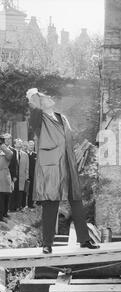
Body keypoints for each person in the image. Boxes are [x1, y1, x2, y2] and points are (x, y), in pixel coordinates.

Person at [26, 88, 99, 254]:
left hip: (68, 164)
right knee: (51, 204)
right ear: (39, 102)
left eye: (47, 96)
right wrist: (33, 94)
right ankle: (47, 243)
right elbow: (35, 107)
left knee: (76, 201)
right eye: (43, 97)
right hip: (51, 166)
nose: (48, 98)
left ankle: (84, 240)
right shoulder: (38, 118)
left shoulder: (62, 117)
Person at [2, 134, 18, 214]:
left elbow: (15, 164)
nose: (8, 140)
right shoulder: (2, 149)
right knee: (2, 194)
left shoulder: (13, 150)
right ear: (4, 140)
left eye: (9, 139)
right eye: (6, 139)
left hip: (10, 175)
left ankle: (6, 212)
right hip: (3, 175)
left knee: (8, 194)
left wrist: (14, 176)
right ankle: (2, 212)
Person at [13, 139, 29, 211]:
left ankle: (19, 206)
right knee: (13, 191)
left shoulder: (25, 155)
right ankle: (12, 207)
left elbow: (27, 167)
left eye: (21, 143)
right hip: (14, 176)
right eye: (18, 143)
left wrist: (27, 176)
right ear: (15, 144)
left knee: (20, 191)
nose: (20, 144)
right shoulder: (12, 153)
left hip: (22, 176)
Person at [0, 134, 13, 223]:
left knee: (5, 196)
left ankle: (4, 213)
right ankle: (1, 216)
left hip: (5, 176)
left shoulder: (7, 150)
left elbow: (10, 154)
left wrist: (3, 147)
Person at [27, 141, 37, 208]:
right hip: (25, 174)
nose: (32, 146)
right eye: (30, 145)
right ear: (28, 145)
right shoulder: (24, 153)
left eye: (33, 145)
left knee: (31, 190)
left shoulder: (35, 155)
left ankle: (30, 204)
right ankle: (23, 204)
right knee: (25, 189)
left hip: (33, 175)